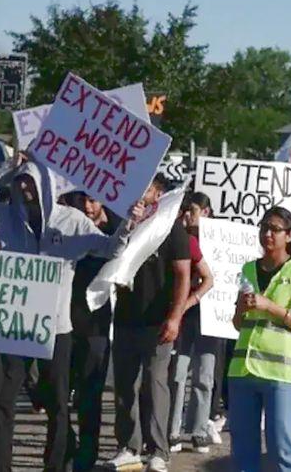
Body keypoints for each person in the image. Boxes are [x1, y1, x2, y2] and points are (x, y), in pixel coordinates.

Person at [0, 161, 139, 472]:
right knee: (3, 400)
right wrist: (14, 170)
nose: (25, 189)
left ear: (46, 187)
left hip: (57, 329)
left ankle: (54, 466)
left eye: (31, 183)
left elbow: (109, 249)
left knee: (58, 405)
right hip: (18, 328)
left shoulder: (71, 222)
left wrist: (128, 223)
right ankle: (0, 465)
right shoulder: (8, 215)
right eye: (21, 184)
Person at [106, 174, 191, 472]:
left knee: (155, 385)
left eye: (147, 189)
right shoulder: (125, 222)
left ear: (158, 193)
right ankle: (129, 446)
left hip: (158, 321)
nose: (141, 195)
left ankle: (158, 450)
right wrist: (128, 224)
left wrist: (175, 317)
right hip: (127, 318)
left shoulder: (171, 228)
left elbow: (183, 274)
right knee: (125, 385)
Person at [229, 207, 291, 472]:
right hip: (243, 370)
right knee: (243, 451)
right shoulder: (248, 268)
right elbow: (237, 323)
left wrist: (271, 307)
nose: (267, 234)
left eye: (275, 229)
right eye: (264, 227)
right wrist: (241, 310)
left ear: (289, 236)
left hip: (281, 373)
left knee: (282, 448)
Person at [68, 192, 121, 471]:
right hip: (63, 320)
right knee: (53, 390)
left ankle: (87, 452)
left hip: (96, 325)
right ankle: (66, 442)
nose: (88, 206)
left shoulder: (117, 230)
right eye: (83, 200)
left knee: (90, 393)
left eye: (92, 200)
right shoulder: (67, 224)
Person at [169, 192, 219, 454]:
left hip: (211, 316)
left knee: (204, 374)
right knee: (178, 373)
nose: (189, 215)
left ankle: (199, 430)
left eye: (194, 210)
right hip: (185, 317)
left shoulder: (219, 238)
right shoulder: (181, 239)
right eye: (186, 210)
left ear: (207, 213)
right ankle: (173, 429)